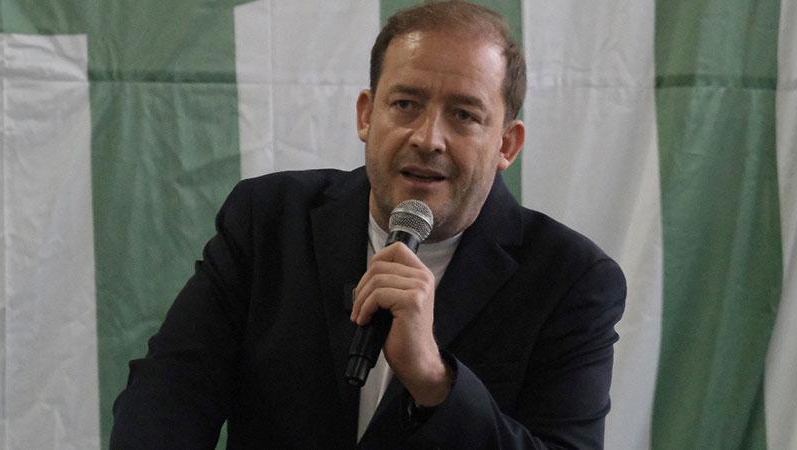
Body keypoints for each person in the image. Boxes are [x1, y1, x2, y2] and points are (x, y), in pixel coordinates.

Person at [110, 1, 626, 448]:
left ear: (507, 144)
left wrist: (434, 380)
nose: (428, 138)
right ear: (366, 115)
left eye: (464, 115)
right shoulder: (268, 220)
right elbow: (166, 398)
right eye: (405, 104)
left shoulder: (572, 280)